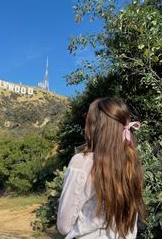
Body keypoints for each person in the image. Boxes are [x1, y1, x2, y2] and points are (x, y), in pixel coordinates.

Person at [57, 97, 146, 239]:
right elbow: (132, 226)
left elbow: (64, 226)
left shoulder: (81, 163)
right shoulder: (131, 162)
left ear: (95, 127)